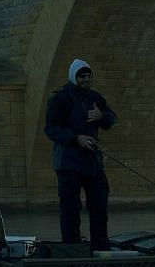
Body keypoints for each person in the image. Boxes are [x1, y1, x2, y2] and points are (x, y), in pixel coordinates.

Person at [44, 59, 117, 250]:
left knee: (99, 205)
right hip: (68, 163)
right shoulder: (60, 99)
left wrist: (102, 117)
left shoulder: (95, 97)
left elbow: (111, 118)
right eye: (82, 76)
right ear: (74, 77)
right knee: (70, 208)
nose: (86, 79)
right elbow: (51, 129)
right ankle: (72, 248)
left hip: (92, 163)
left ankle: (100, 248)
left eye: (88, 76)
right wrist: (76, 138)